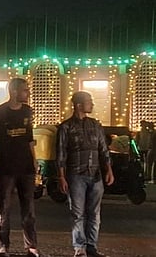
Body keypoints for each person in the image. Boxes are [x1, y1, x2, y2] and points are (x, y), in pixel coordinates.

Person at [0, 77, 40, 257]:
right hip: (5, 168)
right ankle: (4, 245)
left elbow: (29, 138)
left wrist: (34, 160)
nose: (28, 93)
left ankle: (31, 246)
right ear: (14, 91)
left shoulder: (27, 111)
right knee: (4, 208)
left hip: (25, 167)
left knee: (29, 208)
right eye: (25, 90)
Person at [56, 91, 114, 257]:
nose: (92, 104)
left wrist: (108, 169)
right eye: (89, 101)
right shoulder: (66, 127)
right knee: (77, 213)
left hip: (95, 174)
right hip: (75, 175)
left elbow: (103, 149)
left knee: (94, 213)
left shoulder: (95, 125)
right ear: (79, 105)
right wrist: (61, 176)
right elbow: (61, 154)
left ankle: (92, 246)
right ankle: (79, 248)